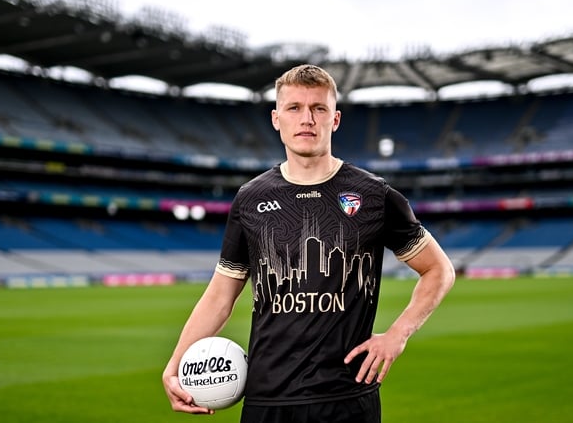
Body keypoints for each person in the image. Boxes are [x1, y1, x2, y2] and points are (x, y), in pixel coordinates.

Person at [162, 64, 456, 423]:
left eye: (319, 108)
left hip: (347, 398)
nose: (307, 119)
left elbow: (438, 269)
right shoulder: (250, 199)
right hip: (267, 399)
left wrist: (398, 334)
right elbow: (221, 294)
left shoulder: (375, 196)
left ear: (335, 119)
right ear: (276, 119)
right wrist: (175, 363)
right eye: (294, 108)